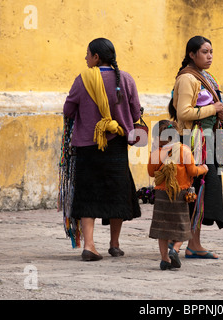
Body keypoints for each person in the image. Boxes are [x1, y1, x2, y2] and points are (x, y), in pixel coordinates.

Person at [62, 38, 142, 261]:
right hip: (116, 146)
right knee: (117, 194)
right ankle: (114, 244)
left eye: (87, 54)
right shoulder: (125, 79)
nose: (85, 58)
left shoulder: (83, 79)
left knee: (88, 195)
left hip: (88, 146)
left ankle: (89, 245)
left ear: (96, 57)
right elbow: (136, 114)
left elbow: (68, 109)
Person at [168, 35, 223, 259]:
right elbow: (184, 113)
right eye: (204, 52)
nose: (209, 56)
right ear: (192, 54)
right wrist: (213, 109)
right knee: (192, 192)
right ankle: (179, 243)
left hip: (207, 142)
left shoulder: (206, 77)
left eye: (211, 51)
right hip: (192, 143)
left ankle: (194, 244)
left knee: (202, 192)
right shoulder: (187, 78)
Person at [147, 120, 208, 270]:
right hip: (180, 194)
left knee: (162, 229)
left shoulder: (157, 153)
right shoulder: (184, 150)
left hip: (161, 195)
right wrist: (203, 169)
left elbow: (150, 172)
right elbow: (193, 171)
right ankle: (175, 250)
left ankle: (164, 259)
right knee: (183, 227)